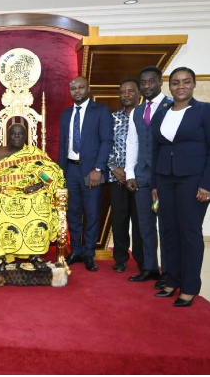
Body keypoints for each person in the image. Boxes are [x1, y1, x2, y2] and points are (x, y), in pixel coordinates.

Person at [151, 67, 210, 307]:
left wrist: (208, 184)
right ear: (169, 86)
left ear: (194, 85)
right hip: (164, 179)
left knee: (189, 232)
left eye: (186, 82)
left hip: (193, 181)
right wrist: (154, 184)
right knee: (169, 231)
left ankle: (191, 286)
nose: (180, 86)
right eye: (175, 82)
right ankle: (171, 279)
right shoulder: (161, 114)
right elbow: (155, 150)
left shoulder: (207, 111)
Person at [0, 124, 65, 272]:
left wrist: (38, 185)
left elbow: (50, 173)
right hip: (4, 191)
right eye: (13, 134)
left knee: (40, 203)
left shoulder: (34, 153)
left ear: (25, 136)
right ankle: (0, 256)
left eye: (20, 134)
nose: (17, 136)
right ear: (8, 135)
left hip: (29, 191)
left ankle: (35, 254)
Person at [58, 76, 113, 272]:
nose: (77, 91)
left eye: (81, 87)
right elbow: (63, 145)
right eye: (73, 88)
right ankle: (77, 251)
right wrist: (61, 173)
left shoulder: (101, 111)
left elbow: (107, 141)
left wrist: (98, 168)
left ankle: (89, 254)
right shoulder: (66, 114)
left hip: (91, 171)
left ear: (88, 89)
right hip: (71, 169)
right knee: (72, 212)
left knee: (91, 213)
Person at [125, 66, 173, 287]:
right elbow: (132, 143)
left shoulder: (172, 106)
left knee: (166, 226)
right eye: (143, 83)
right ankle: (150, 268)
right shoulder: (137, 111)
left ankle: (169, 272)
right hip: (142, 175)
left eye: (151, 82)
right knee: (144, 225)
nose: (146, 86)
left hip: (165, 176)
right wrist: (130, 173)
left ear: (160, 82)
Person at [107, 79, 144, 273]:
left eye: (130, 91)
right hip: (118, 178)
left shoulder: (147, 116)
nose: (126, 95)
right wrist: (114, 167)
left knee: (140, 221)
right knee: (119, 220)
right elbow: (105, 144)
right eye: (122, 92)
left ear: (139, 93)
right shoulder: (112, 118)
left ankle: (142, 260)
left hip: (141, 179)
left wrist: (135, 173)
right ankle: (120, 259)